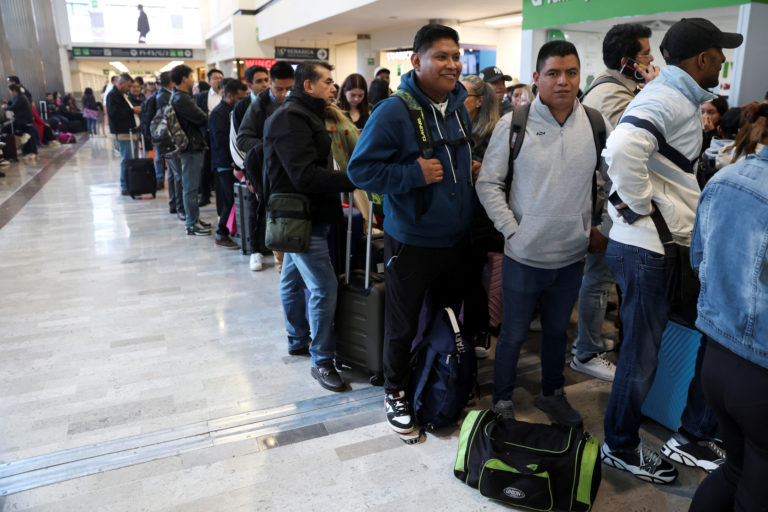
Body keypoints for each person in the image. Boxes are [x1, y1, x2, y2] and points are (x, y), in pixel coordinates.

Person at [600, 18, 743, 484]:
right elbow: (621, 146)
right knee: (641, 356)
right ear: (702, 57)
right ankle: (620, 446)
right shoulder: (668, 96)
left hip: (656, 248)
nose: (723, 60)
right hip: (650, 251)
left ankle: (692, 434)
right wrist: (641, 206)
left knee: (708, 331)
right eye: (719, 53)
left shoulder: (676, 95)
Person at [347, 24, 475, 435]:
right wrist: (411, 175)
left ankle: (442, 374)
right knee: (402, 324)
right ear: (417, 61)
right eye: (441, 56)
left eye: (456, 56)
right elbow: (360, 170)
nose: (452, 65)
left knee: (449, 316)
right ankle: (396, 391)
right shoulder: (393, 111)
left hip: (456, 238)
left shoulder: (458, 106)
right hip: (412, 242)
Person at [476, 40, 611, 428]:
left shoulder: (596, 123)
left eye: (570, 73)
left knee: (556, 332)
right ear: (537, 78)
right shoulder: (513, 123)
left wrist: (603, 228)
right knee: (513, 334)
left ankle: (552, 393)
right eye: (553, 73)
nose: (563, 81)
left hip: (571, 256)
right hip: (523, 255)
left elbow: (614, 182)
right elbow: (488, 183)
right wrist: (512, 230)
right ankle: (501, 400)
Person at [688, 102, 768, 512]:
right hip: (760, 370)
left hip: (717, 358)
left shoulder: (727, 178)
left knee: (736, 469)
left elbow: (697, 259)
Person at [571, 23, 660, 382]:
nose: (651, 59)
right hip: (606, 203)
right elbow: (628, 152)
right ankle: (586, 352)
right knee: (597, 278)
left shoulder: (615, 89)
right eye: (645, 54)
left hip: (605, 201)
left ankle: (586, 343)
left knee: (598, 277)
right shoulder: (612, 96)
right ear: (626, 62)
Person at [263, 60, 355, 391]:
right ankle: (322, 360)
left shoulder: (305, 115)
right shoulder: (291, 119)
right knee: (323, 287)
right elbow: (304, 175)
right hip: (302, 218)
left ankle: (298, 338)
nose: (335, 87)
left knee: (291, 276)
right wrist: (351, 179)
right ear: (308, 86)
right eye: (328, 81)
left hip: (299, 217)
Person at [236, 60, 295, 272]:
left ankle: (284, 252)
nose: (284, 93)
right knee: (258, 210)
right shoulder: (258, 106)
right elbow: (242, 138)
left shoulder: (297, 102)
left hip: (290, 171)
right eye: (279, 88)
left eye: (289, 88)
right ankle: (256, 251)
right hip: (263, 169)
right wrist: (270, 146)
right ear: (270, 84)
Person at [459, 74, 500, 358]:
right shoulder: (457, 127)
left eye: (462, 96)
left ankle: (479, 331)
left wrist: (482, 169)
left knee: (474, 276)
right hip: (460, 215)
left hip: (482, 218)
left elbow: (504, 177)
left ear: (478, 102)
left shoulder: (494, 134)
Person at [171, 64, 211, 236]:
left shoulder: (179, 97)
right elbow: (201, 117)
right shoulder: (182, 99)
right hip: (190, 147)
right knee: (190, 186)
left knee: (191, 186)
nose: (194, 80)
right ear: (184, 78)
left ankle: (194, 218)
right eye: (192, 76)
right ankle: (191, 223)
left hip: (188, 146)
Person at [209, 79, 248, 248]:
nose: (242, 101)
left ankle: (230, 231)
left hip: (234, 162)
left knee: (233, 199)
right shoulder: (219, 113)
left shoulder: (234, 111)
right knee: (229, 200)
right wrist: (233, 160)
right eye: (239, 98)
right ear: (229, 95)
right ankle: (221, 233)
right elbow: (221, 141)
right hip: (226, 164)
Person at [155, 71, 185, 220]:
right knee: (178, 175)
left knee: (173, 175)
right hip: (170, 141)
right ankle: (180, 208)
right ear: (172, 82)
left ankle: (174, 204)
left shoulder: (163, 95)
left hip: (168, 142)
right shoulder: (164, 97)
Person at [107, 73, 141, 194]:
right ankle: (125, 185)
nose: (130, 88)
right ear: (121, 84)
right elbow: (114, 113)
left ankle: (133, 183)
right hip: (123, 133)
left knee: (133, 159)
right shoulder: (112, 96)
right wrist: (132, 110)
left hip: (133, 132)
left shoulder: (124, 95)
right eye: (128, 86)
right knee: (127, 159)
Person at [2, 84, 38, 161]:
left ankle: (22, 135)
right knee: (7, 128)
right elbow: (12, 103)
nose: (9, 92)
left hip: (22, 121)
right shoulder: (18, 97)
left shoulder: (21, 98)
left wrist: (5, 107)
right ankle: (23, 135)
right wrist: (8, 102)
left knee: (5, 129)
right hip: (22, 120)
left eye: (9, 91)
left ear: (14, 91)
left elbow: (13, 107)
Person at [232, 65, 269, 133]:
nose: (265, 84)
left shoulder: (275, 101)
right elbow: (240, 134)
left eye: (266, 80)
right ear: (249, 85)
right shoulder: (241, 106)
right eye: (259, 81)